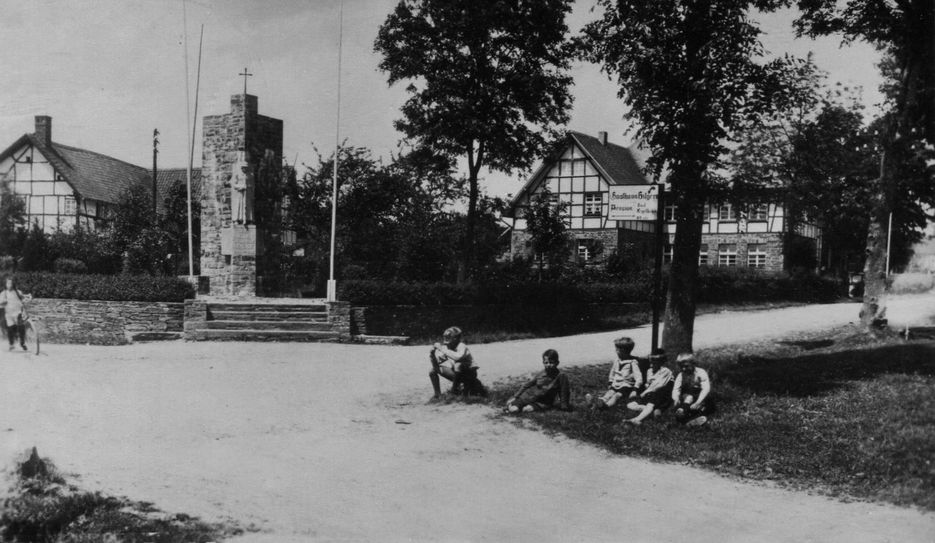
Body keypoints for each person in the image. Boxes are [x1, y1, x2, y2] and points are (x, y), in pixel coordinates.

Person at [506, 349, 571, 413]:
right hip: (528, 397)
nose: (548, 365)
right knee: (514, 410)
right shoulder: (541, 374)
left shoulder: (561, 376)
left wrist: (564, 407)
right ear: (543, 363)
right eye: (546, 363)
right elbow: (526, 385)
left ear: (557, 363)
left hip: (543, 402)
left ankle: (514, 407)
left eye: (551, 362)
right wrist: (515, 396)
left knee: (526, 409)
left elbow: (564, 391)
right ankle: (510, 406)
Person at [586, 337, 642, 410]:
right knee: (609, 393)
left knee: (616, 396)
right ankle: (599, 403)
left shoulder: (632, 362)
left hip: (626, 386)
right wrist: (610, 382)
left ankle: (606, 406)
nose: (616, 351)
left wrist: (635, 389)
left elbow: (639, 377)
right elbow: (612, 373)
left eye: (617, 350)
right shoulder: (617, 361)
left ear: (623, 351)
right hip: (616, 384)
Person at [626, 350, 674, 425]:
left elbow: (657, 385)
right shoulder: (649, 371)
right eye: (651, 361)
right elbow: (648, 384)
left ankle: (637, 419)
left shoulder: (665, 371)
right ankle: (649, 411)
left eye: (655, 362)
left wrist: (644, 393)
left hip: (661, 394)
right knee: (630, 405)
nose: (652, 364)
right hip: (649, 393)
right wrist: (646, 389)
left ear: (661, 362)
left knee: (651, 402)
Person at [429, 326, 475, 398]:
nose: (446, 340)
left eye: (449, 337)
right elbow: (438, 364)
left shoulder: (461, 346)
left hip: (469, 373)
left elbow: (457, 357)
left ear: (456, 338)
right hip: (457, 374)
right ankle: (437, 394)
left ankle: (454, 391)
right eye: (445, 337)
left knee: (458, 365)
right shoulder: (446, 348)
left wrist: (442, 349)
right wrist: (432, 355)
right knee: (432, 371)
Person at [671, 353, 712, 426]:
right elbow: (676, 389)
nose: (684, 369)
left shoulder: (700, 372)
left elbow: (706, 389)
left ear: (693, 364)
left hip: (701, 397)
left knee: (700, 408)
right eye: (681, 367)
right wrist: (676, 398)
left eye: (686, 366)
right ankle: (685, 417)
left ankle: (689, 418)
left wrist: (698, 402)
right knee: (688, 399)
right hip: (687, 398)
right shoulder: (681, 375)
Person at [0, 277, 28, 352]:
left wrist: (25, 299)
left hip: (18, 312)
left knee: (21, 326)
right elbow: (0, 303)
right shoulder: (3, 293)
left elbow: (23, 298)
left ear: (13, 284)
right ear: (5, 284)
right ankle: (11, 344)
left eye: (11, 283)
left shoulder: (18, 292)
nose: (9, 285)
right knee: (10, 329)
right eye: (8, 283)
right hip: (9, 314)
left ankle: (22, 343)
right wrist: (3, 302)